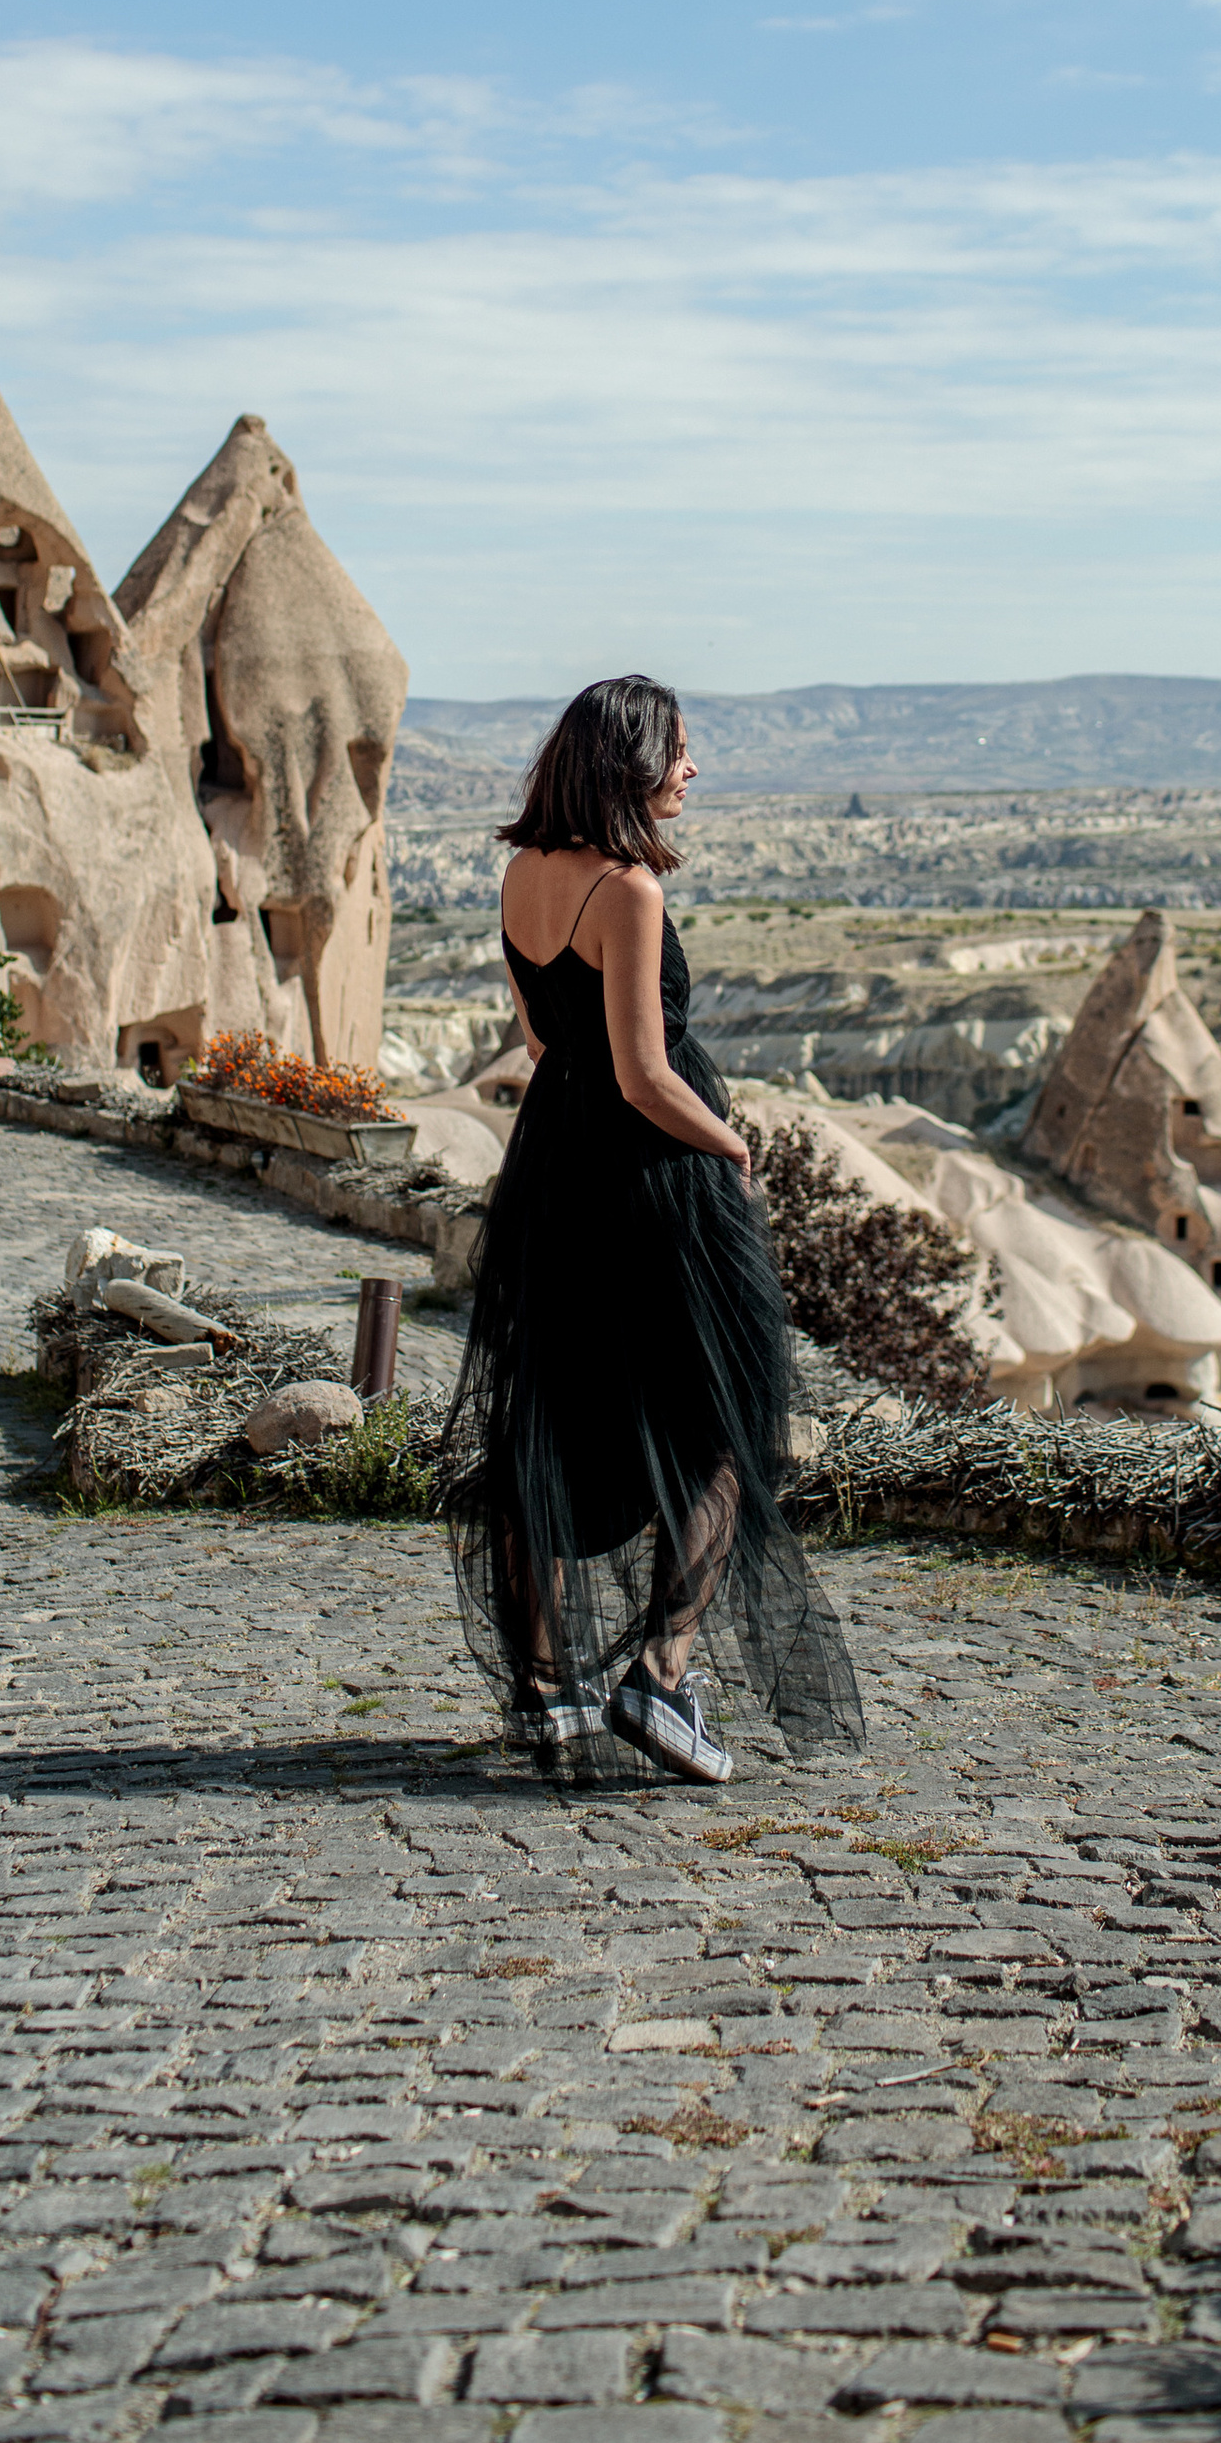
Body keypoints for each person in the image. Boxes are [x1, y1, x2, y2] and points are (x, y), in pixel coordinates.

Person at [439, 673, 865, 1784]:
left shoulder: (523, 874)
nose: (691, 770)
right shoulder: (626, 890)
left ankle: (541, 1694)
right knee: (730, 1415)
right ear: (629, 762)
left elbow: (541, 1041)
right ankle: (661, 1677)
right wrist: (729, 1145)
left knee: (546, 1418)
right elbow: (643, 1073)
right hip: (646, 1175)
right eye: (678, 751)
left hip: (553, 1163)